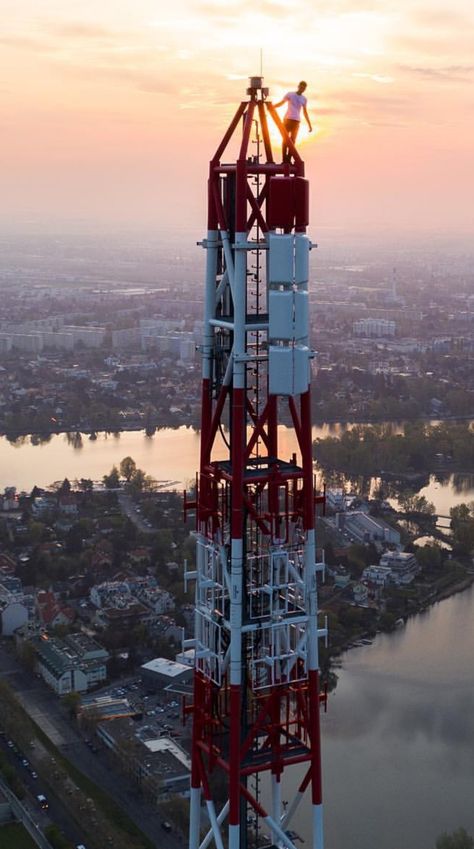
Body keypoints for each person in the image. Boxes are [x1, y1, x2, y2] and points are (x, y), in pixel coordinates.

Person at [274, 81, 312, 162]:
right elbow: (281, 103)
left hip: (296, 121)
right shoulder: (290, 94)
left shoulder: (304, 99)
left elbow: (305, 112)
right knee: (285, 140)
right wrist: (273, 107)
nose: (302, 89)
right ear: (298, 86)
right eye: (301, 87)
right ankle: (284, 160)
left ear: (305, 89)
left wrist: (309, 125)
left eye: (304, 88)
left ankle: (288, 159)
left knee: (293, 141)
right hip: (287, 119)